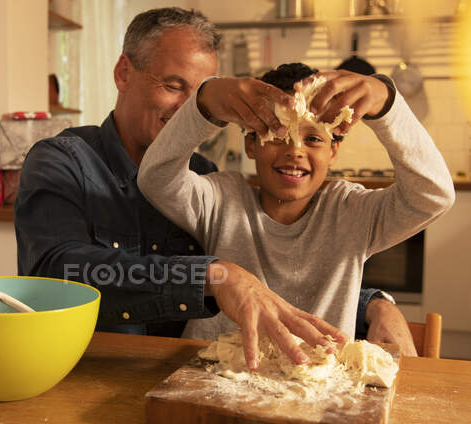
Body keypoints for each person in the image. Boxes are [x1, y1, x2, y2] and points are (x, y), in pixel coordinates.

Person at [14, 7, 417, 368]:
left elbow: (269, 275)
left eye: (200, 95)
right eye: (174, 86)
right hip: (81, 376)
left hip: (185, 386)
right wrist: (211, 275)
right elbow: (57, 272)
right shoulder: (62, 161)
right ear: (123, 73)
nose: (186, 110)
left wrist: (373, 304)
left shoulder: (204, 177)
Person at [137, 63, 455, 360]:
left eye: (313, 138)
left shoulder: (351, 212)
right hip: (214, 371)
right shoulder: (221, 199)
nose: (294, 151)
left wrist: (386, 104)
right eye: (277, 134)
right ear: (250, 144)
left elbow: (433, 195)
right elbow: (155, 178)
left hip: (317, 384)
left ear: (333, 151)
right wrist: (205, 104)